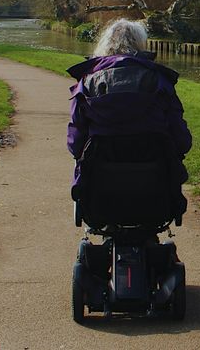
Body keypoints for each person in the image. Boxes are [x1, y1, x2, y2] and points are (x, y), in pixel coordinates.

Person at [66, 19, 191, 218]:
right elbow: (181, 139)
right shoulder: (159, 80)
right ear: (141, 45)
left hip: (101, 183)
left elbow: (75, 139)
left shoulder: (88, 81)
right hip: (154, 183)